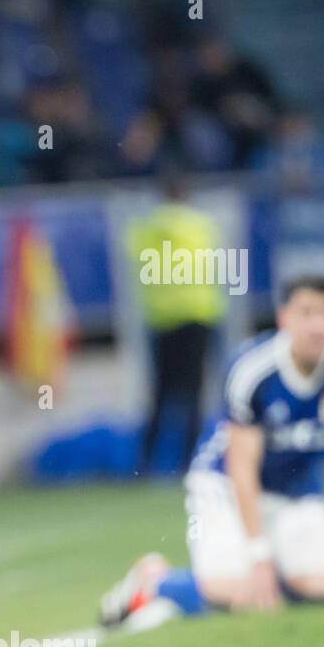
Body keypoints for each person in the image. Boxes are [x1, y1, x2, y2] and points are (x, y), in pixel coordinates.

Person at [101, 275, 324, 628]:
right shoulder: (254, 371)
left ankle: (233, 587)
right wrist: (260, 558)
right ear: (285, 318)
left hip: (296, 488)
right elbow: (241, 465)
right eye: (307, 313)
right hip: (223, 482)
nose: (318, 325)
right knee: (234, 588)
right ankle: (157, 582)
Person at [128, 172, 226, 472]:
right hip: (199, 315)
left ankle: (145, 465)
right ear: (187, 194)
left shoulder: (145, 228)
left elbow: (133, 252)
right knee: (194, 394)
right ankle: (190, 462)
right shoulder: (201, 226)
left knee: (160, 394)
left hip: (161, 320)